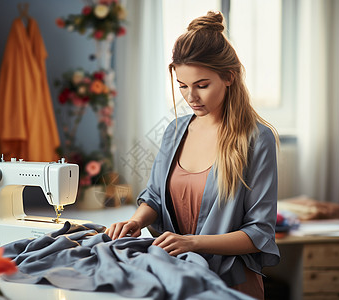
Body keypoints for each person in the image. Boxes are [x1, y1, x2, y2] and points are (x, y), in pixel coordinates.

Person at [106, 11, 280, 300]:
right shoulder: (175, 131)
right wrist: (135, 221)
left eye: (201, 85)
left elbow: (259, 233)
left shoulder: (256, 139)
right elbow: (154, 198)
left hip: (229, 282)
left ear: (228, 77)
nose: (191, 98)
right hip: (175, 276)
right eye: (182, 86)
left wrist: (193, 243)